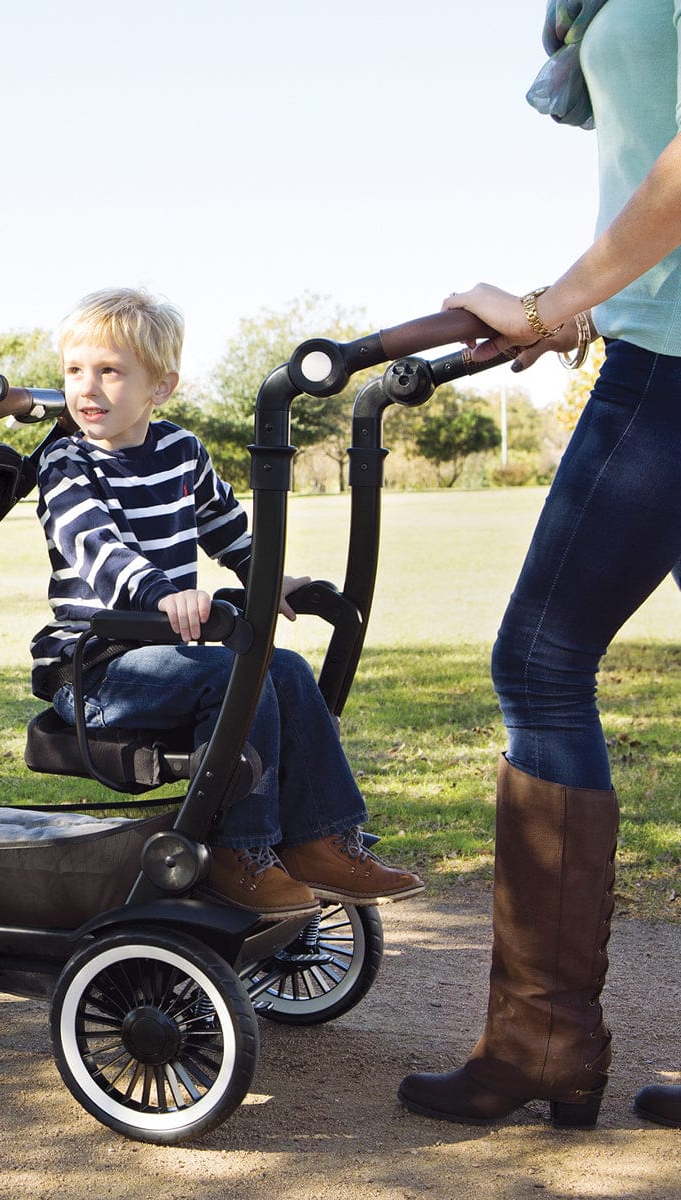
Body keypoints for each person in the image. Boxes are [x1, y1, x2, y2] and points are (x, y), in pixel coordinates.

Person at [398, 0, 681, 1130]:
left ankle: (544, 1039)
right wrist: (577, 305)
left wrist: (560, 301)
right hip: (653, 330)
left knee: (543, 658)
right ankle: (542, 1038)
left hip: (673, 360)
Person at [30, 286, 425, 923]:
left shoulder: (181, 451)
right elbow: (96, 548)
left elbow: (229, 532)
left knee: (286, 669)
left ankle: (320, 840)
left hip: (166, 656)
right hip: (96, 669)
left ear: (160, 387)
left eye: (110, 371)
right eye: (75, 371)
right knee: (232, 672)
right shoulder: (66, 461)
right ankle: (239, 853)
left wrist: (271, 577)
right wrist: (167, 595)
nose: (87, 389)